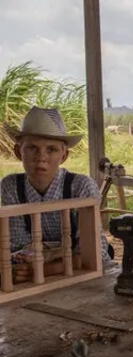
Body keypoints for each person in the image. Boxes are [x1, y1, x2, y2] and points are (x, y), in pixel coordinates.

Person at [1, 107, 112, 268]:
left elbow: (95, 255)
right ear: (18, 152)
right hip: (35, 273)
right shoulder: (11, 186)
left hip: (87, 276)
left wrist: (46, 267)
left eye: (51, 149)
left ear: (64, 155)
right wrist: (63, 253)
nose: (41, 158)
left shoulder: (81, 187)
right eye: (32, 148)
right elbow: (18, 249)